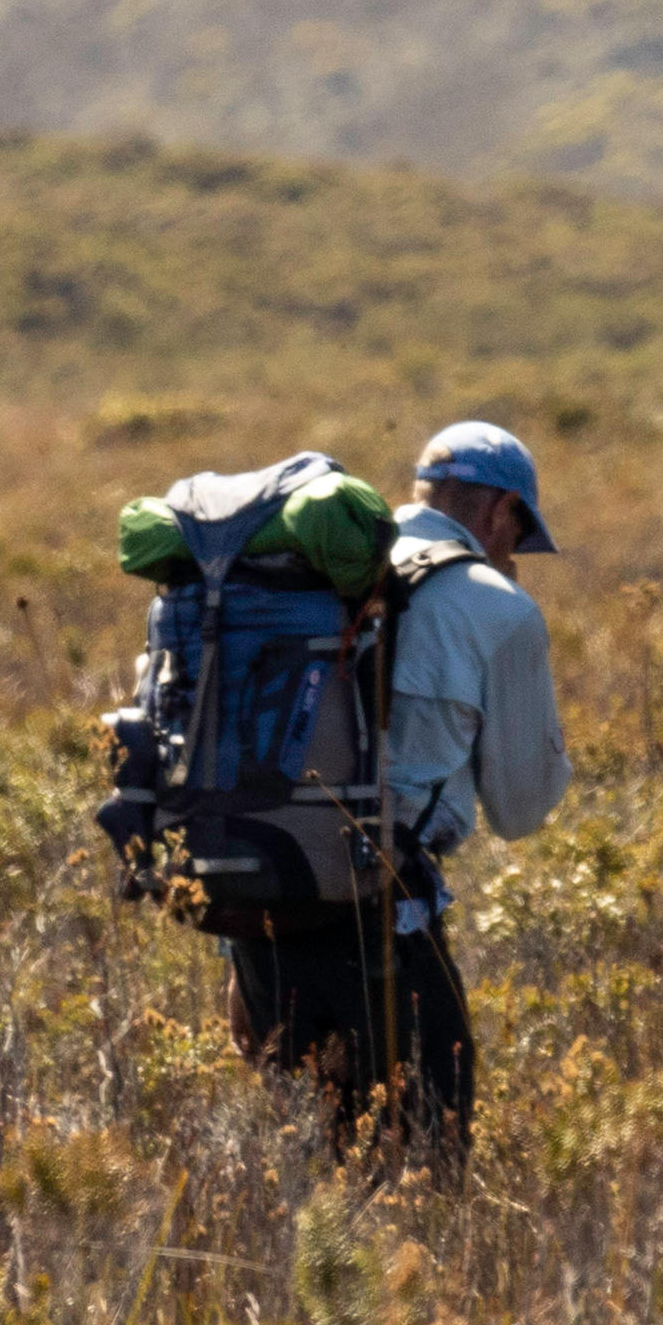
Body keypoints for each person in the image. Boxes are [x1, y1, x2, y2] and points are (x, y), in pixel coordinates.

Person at [225, 419, 569, 1168]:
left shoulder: (314, 572)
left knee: (304, 1178)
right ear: (502, 512)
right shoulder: (497, 608)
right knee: (428, 1172)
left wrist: (239, 956)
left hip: (262, 922)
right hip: (386, 927)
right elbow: (520, 809)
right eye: (518, 533)